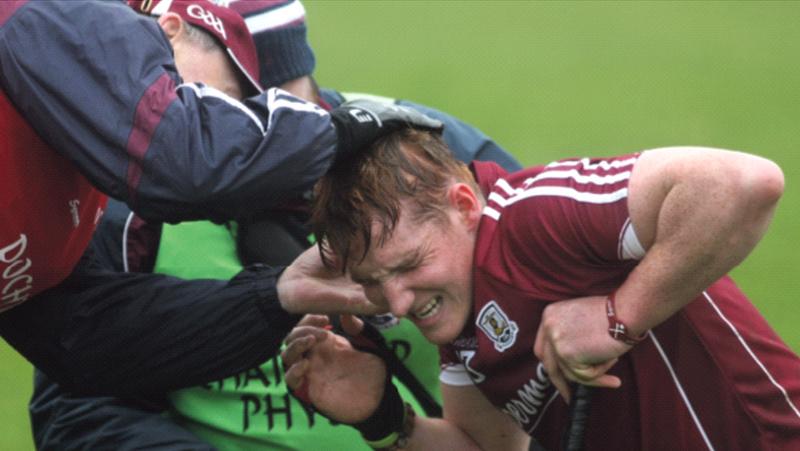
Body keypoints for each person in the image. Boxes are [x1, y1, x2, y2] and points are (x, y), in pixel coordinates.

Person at [28, 1, 525, 449]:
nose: (262, 142)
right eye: (215, 119)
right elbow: (80, 406)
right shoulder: (121, 204)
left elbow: (544, 355)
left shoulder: (430, 157)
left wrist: (385, 422)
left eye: (283, 108)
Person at [0, 0, 442, 395]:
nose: (226, 125)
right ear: (168, 30)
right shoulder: (50, 15)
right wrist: (338, 132)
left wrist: (277, 297)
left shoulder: (69, 191)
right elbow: (187, 161)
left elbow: (85, 339)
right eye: (215, 103)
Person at [281, 128, 800, 450]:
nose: (396, 303)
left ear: (464, 206)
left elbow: (744, 183)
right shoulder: (458, 304)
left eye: (409, 265)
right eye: (373, 283)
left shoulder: (530, 219)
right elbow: (485, 448)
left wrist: (619, 317)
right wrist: (384, 421)